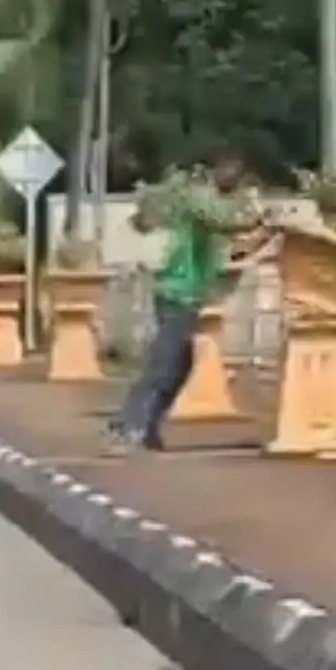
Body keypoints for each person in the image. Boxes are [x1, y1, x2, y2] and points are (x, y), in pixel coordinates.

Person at [105, 152, 272, 453]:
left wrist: (260, 237)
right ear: (215, 169)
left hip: (190, 292)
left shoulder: (212, 202)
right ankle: (127, 426)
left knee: (180, 365)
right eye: (232, 169)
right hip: (176, 290)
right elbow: (227, 220)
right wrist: (258, 214)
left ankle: (146, 427)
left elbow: (230, 245)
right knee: (163, 362)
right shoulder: (198, 197)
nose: (236, 178)